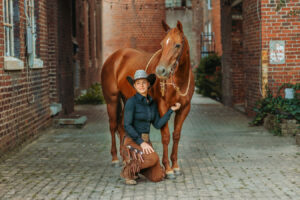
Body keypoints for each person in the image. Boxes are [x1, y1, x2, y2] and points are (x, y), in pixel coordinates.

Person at [120, 69, 181, 185]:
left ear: (148, 84)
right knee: (153, 159)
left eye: (143, 82)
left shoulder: (152, 103)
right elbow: (126, 125)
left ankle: (136, 168)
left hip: (146, 141)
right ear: (134, 85)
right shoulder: (131, 102)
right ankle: (128, 170)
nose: (141, 85)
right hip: (132, 141)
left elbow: (157, 124)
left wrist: (170, 111)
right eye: (138, 83)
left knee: (158, 176)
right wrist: (141, 142)